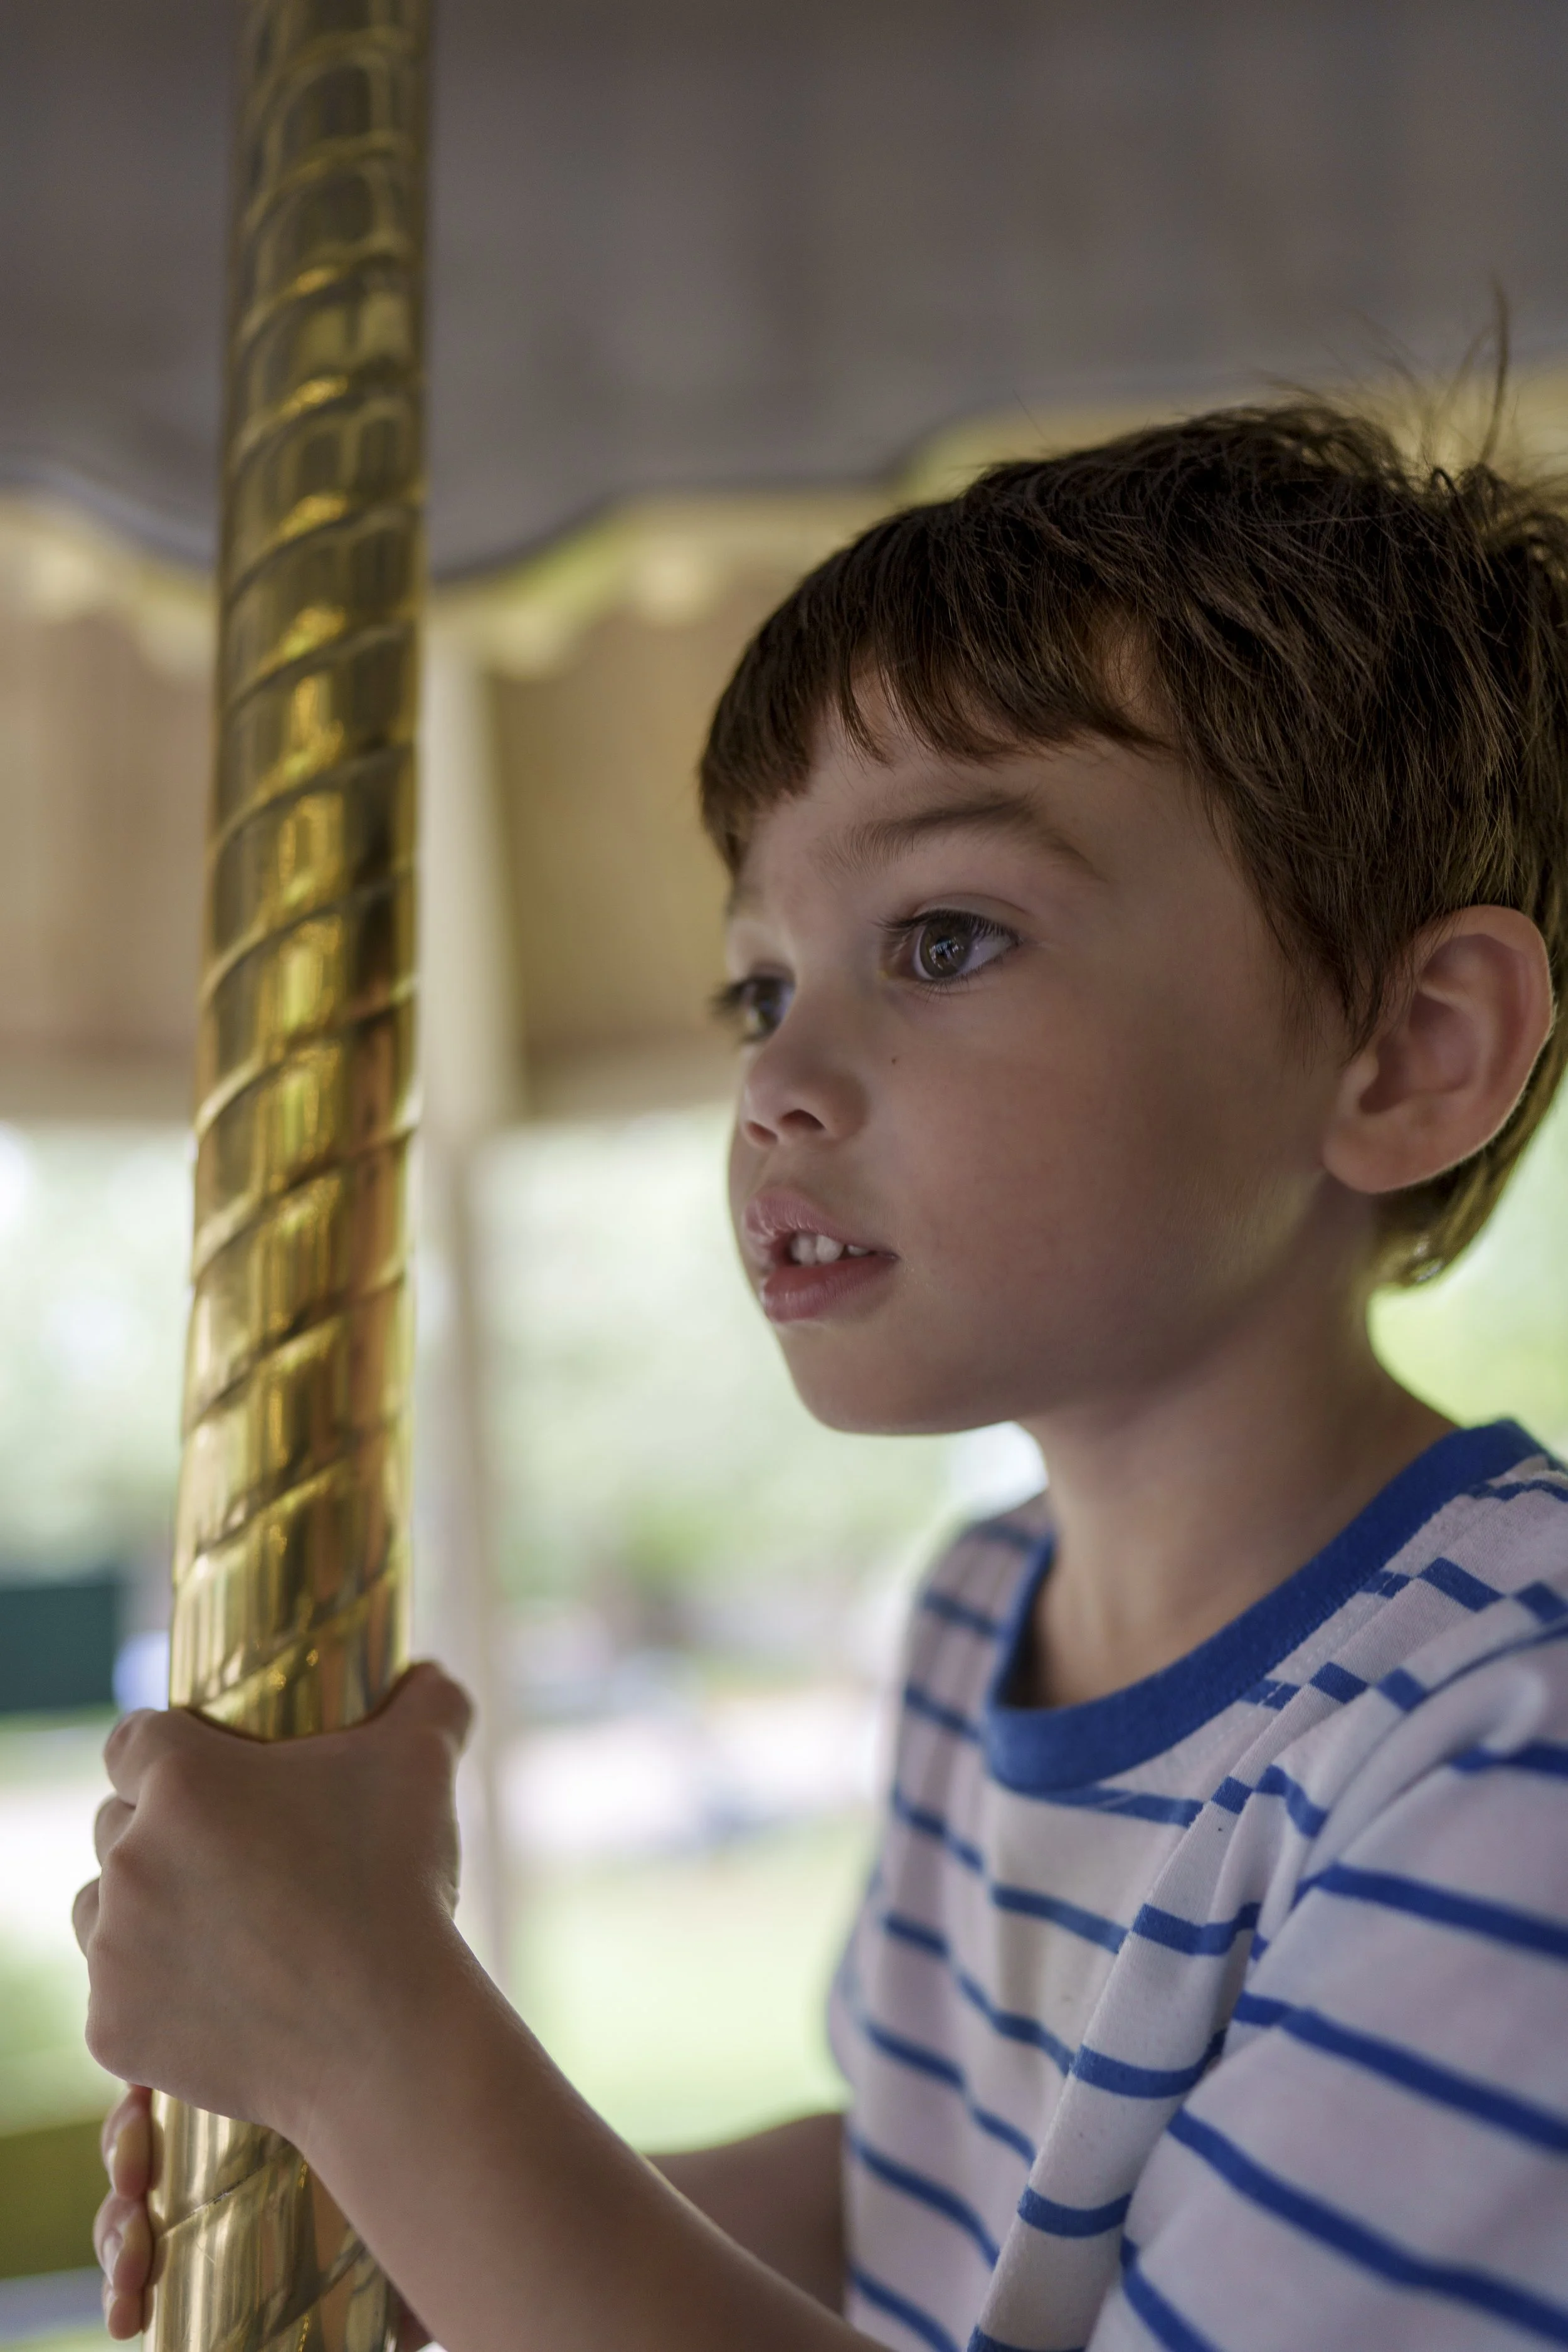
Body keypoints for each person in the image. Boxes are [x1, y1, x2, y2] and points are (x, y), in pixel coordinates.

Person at [80, 396, 1568, 2352]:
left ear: (1405, 1051)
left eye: (944, 938)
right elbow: (921, 2174)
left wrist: (383, 2044)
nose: (774, 1083)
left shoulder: (1498, 1745)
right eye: (758, 984)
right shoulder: (982, 1619)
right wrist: (394, 2221)